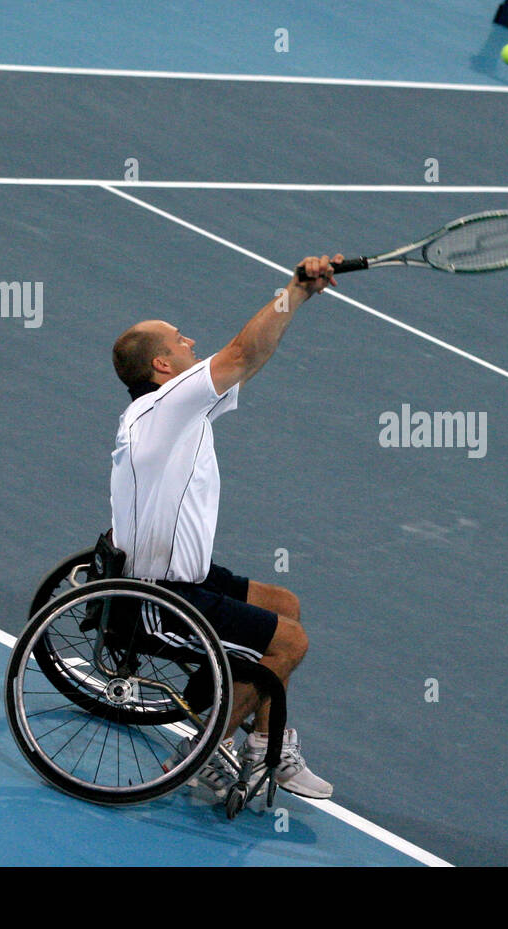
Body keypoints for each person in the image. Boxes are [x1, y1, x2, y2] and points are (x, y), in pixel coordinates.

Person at [108, 254, 343, 799]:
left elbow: (250, 360)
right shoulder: (164, 407)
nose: (191, 341)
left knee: (283, 604)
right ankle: (210, 748)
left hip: (181, 577)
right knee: (290, 643)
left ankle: (266, 744)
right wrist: (296, 292)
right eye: (179, 339)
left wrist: (295, 296)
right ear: (162, 367)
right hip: (162, 596)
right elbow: (241, 352)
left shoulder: (169, 409)